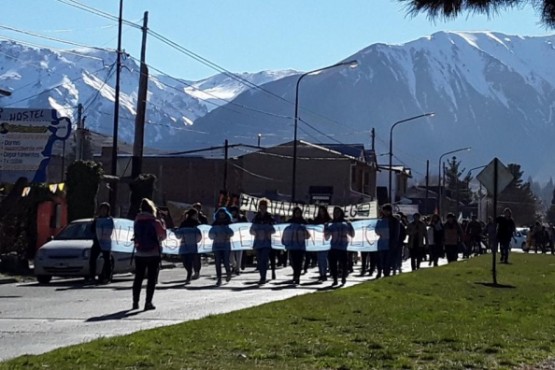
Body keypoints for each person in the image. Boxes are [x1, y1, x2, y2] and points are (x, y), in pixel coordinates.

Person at [132, 198, 167, 311]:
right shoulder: (155, 222)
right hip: (153, 253)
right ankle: (148, 302)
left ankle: (135, 302)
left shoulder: (137, 221)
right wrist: (162, 223)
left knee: (138, 278)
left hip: (140, 253)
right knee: (151, 279)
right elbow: (163, 236)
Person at [324, 207, 355, 286]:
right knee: (332, 264)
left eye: (338, 212)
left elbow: (352, 235)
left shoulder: (346, 223)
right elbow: (326, 237)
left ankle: (343, 277)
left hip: (343, 247)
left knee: (344, 264)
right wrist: (326, 227)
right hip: (333, 247)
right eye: (335, 212)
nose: (336, 214)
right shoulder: (331, 224)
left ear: (341, 213)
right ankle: (335, 279)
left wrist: (350, 226)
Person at [250, 198, 276, 284]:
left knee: (264, 259)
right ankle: (262, 275)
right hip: (258, 242)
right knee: (259, 260)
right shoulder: (256, 218)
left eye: (264, 206)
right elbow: (251, 230)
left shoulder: (269, 217)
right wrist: (255, 232)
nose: (262, 208)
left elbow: (274, 230)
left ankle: (263, 277)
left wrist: (268, 233)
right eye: (260, 206)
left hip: (266, 243)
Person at [282, 206, 310, 285]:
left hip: (300, 246)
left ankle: (297, 276)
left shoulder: (304, 223)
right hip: (291, 246)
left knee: (299, 262)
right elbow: (285, 230)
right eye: (296, 212)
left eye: (299, 213)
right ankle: (295, 274)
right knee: (292, 262)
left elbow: (308, 235)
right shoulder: (290, 222)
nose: (297, 214)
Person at [88, 202, 114, 284]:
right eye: (102, 209)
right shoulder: (97, 220)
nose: (103, 211)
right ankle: (92, 277)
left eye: (105, 210)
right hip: (97, 242)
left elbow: (110, 230)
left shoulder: (109, 220)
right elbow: (92, 230)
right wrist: (94, 222)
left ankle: (107, 277)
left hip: (105, 242)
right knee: (92, 259)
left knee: (107, 260)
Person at [175, 208, 202, 285]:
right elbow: (199, 236)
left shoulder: (195, 224)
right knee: (186, 261)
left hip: (187, 245)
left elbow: (178, 236)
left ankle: (189, 275)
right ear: (193, 215)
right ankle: (190, 273)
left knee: (187, 261)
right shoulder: (185, 223)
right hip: (188, 245)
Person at [209, 208, 234, 286]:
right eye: (220, 214)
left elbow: (232, 233)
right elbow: (210, 235)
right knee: (217, 262)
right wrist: (214, 235)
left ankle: (228, 273)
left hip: (226, 245)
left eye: (223, 214)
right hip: (216, 245)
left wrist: (227, 231)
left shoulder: (229, 224)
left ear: (226, 215)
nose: (221, 216)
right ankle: (219, 278)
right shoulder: (214, 224)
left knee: (226, 261)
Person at [374, 204, 400, 278]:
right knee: (381, 260)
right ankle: (381, 272)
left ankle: (386, 273)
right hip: (382, 243)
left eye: (386, 211)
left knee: (388, 260)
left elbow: (396, 233)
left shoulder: (394, 221)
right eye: (384, 211)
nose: (385, 212)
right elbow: (376, 230)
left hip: (390, 243)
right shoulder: (380, 220)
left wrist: (395, 242)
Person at [310, 205, 332, 281]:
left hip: (326, 241)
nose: (321, 212)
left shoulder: (329, 220)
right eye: (320, 211)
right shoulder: (317, 220)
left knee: (324, 258)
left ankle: (324, 273)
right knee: (319, 258)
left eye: (322, 211)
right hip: (318, 241)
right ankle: (321, 273)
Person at [228, 206, 247, 276]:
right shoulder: (228, 218)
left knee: (239, 255)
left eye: (234, 211)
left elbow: (246, 226)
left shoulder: (242, 218)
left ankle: (237, 269)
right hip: (231, 239)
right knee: (230, 255)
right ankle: (234, 265)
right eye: (232, 211)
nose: (233, 212)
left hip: (239, 238)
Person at [192, 202, 208, 279]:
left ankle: (197, 271)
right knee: (191, 257)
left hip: (200, 239)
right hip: (191, 239)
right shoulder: (189, 218)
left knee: (197, 257)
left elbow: (206, 228)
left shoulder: (203, 218)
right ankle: (193, 270)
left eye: (197, 208)